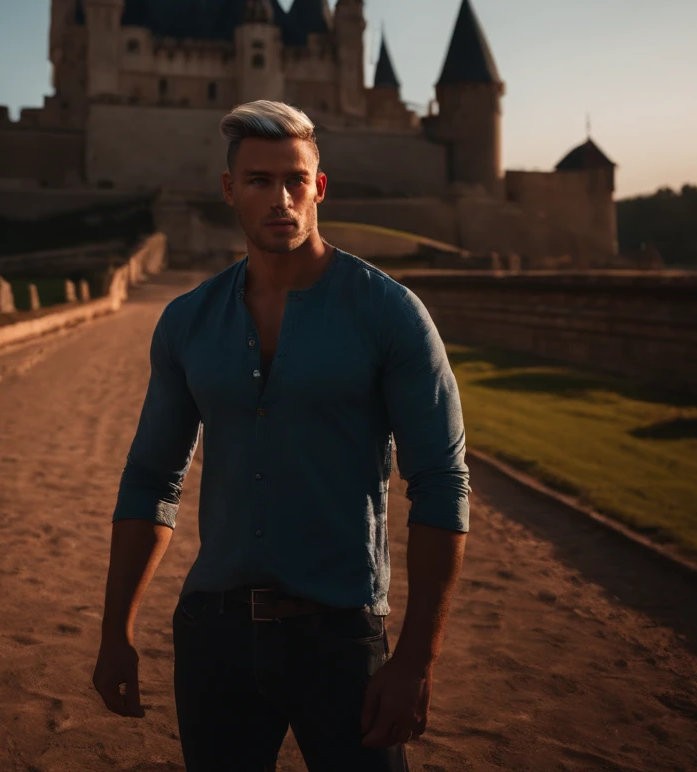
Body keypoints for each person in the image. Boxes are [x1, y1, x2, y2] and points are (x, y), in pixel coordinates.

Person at [93, 100, 469, 771]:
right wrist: (116, 629)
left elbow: (441, 487)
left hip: (343, 638)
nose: (282, 197)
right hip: (215, 638)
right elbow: (152, 480)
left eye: (296, 179)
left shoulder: (390, 313)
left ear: (319, 187)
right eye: (261, 180)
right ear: (230, 189)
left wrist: (415, 661)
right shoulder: (187, 322)